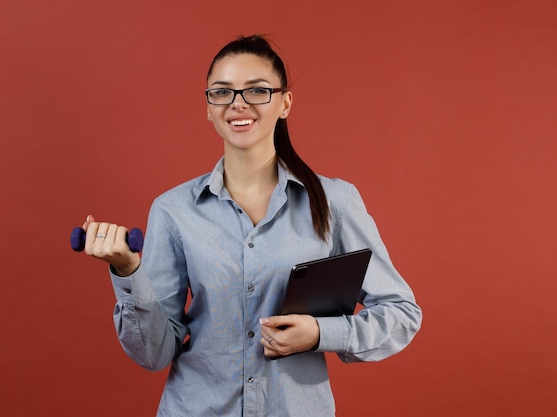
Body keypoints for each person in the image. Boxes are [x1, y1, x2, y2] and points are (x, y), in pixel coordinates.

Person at [80, 35, 422, 417]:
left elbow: (401, 312)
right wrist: (129, 272)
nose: (238, 104)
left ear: (285, 102)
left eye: (257, 90)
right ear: (208, 108)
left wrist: (321, 334)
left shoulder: (334, 202)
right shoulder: (172, 210)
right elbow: (154, 353)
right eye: (222, 92)